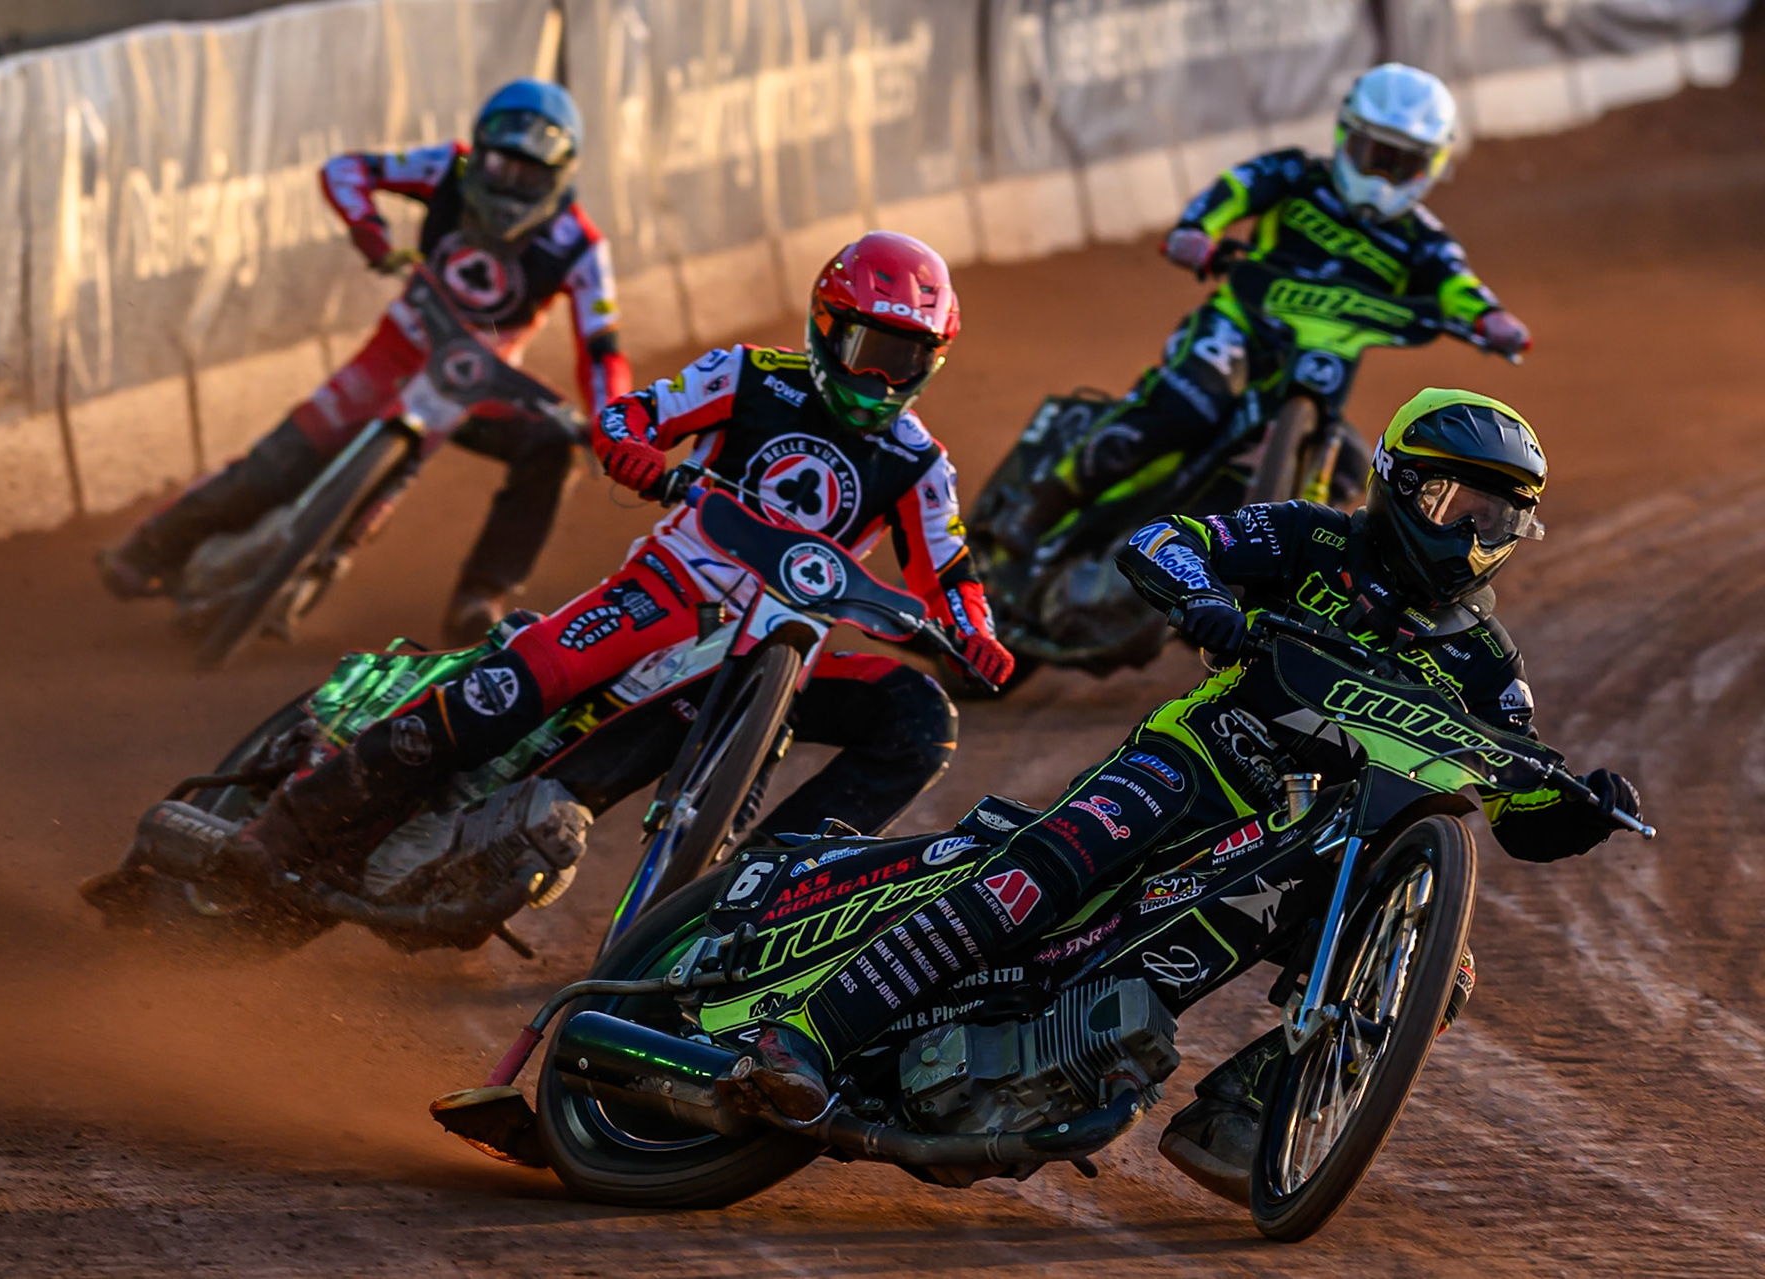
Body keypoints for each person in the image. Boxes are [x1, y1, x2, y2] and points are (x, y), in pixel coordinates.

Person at [723, 388, 1643, 1202]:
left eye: (1498, 518)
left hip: (1315, 837)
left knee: (1435, 967)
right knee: (1046, 870)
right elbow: (1165, 539)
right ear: (1397, 484)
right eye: (1455, 504)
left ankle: (1244, 1111)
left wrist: (1581, 806)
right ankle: (804, 1034)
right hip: (1195, 761)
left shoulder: (1488, 663)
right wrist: (1204, 599)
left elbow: (1519, 799)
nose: (1473, 536)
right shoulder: (1316, 536)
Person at [217, 231, 1015, 904]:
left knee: (919, 718)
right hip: (667, 593)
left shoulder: (920, 464)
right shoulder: (747, 374)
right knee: (507, 691)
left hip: (776, 657)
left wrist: (975, 633)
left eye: (905, 360)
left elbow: (952, 573)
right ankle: (285, 825)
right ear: (827, 327)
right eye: (870, 351)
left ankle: (749, 909)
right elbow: (633, 414)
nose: (880, 379)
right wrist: (633, 451)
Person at [96, 78, 632, 647]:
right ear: (478, 152)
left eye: (529, 175)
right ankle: (151, 547)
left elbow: (603, 348)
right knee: (279, 463)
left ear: (560, 175)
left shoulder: (581, 245)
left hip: (478, 383)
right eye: (500, 166)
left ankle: (480, 597)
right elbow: (345, 170)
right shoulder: (447, 166)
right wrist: (370, 233)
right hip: (398, 351)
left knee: (553, 445)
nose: (509, 186)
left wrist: (613, 424)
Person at [997, 62, 1533, 553]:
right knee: (1182, 409)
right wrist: (1195, 231)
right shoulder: (1294, 173)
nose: (1381, 176)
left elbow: (1457, 284)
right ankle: (1040, 505)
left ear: (1431, 166)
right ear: (1346, 136)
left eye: (1402, 164)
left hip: (1321, 362)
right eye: (1376, 154)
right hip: (1239, 327)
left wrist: (1492, 319)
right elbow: (1232, 191)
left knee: (1353, 468)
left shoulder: (1423, 239)